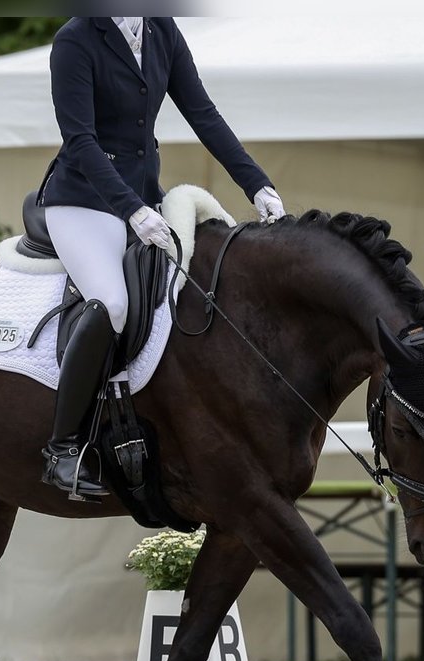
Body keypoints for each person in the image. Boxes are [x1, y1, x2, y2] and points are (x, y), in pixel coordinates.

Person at [38, 16, 286, 498]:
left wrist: (257, 184)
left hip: (142, 196)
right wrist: (131, 210)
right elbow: (80, 140)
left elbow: (203, 113)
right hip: (83, 201)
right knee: (111, 303)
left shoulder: (162, 31)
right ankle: (63, 448)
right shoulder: (76, 39)